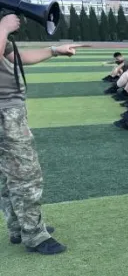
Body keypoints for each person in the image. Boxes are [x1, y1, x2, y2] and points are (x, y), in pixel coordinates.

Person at [1, 14, 82, 255]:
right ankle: (34, 235)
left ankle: (20, 226)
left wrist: (54, 50)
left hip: (8, 110)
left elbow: (15, 57)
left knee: (7, 175)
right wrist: (3, 27)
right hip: (4, 113)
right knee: (26, 175)